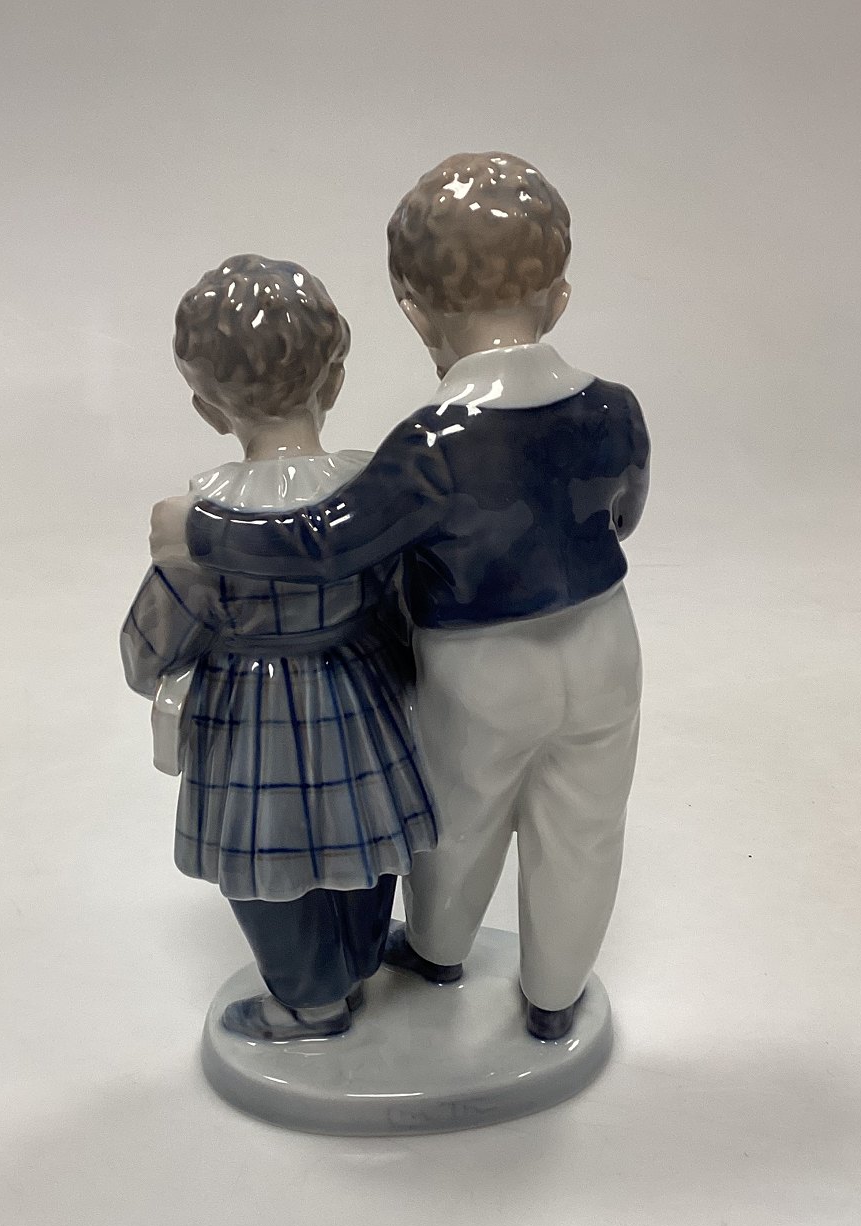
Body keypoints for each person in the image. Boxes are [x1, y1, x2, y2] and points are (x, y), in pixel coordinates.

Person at [149, 155, 650, 1041]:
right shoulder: (615, 409)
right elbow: (624, 515)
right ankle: (554, 998)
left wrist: (203, 531)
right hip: (606, 641)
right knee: (587, 826)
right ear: (560, 299)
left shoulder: (431, 443)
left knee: (457, 815)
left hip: (479, 661)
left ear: (415, 313)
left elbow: (322, 541)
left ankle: (438, 949)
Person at [121, 255, 437, 1042]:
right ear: (335, 381)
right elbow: (406, 600)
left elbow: (152, 644)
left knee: (267, 855)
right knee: (364, 828)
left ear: (206, 407)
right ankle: (357, 957)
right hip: (359, 690)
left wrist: (153, 655)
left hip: (247, 708)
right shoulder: (370, 491)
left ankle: (309, 998)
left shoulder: (196, 519)